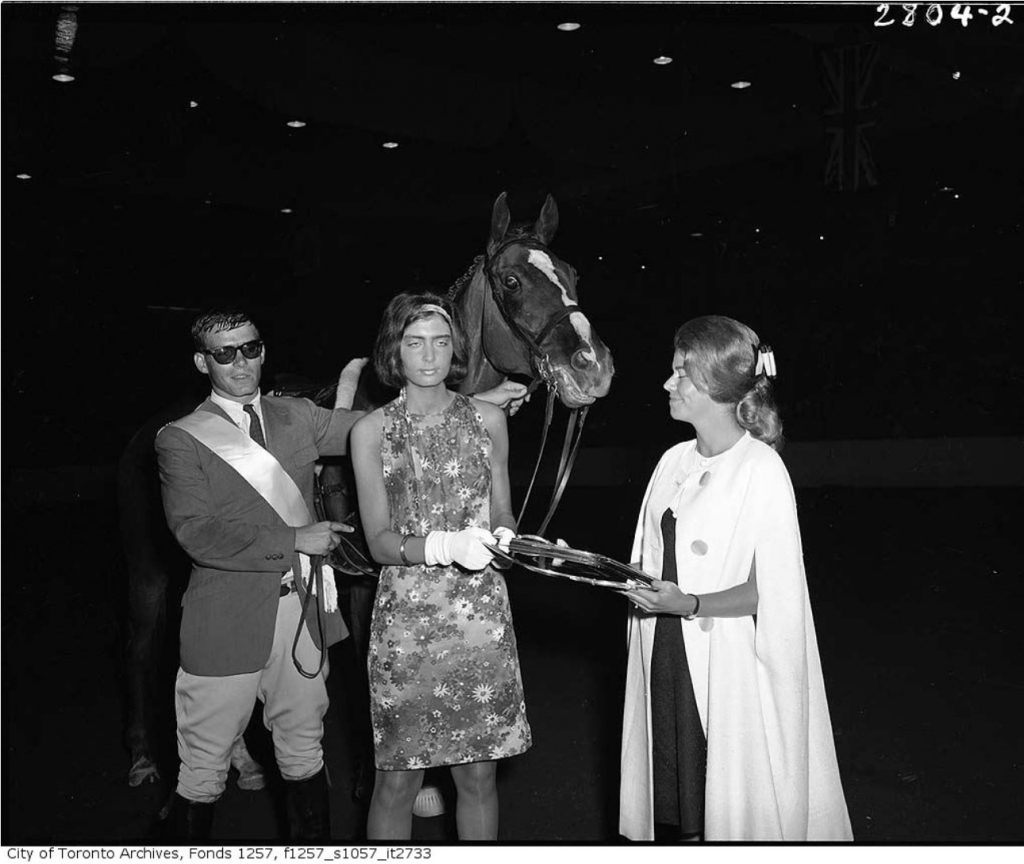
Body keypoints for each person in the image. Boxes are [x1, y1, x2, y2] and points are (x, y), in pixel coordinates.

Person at [619, 315, 852, 841]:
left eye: (680, 373)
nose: (667, 383)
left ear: (714, 385)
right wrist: (595, 569)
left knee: (726, 811)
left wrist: (690, 604)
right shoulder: (672, 460)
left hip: (726, 667)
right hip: (667, 655)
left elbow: (766, 591)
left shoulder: (760, 470)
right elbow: (652, 560)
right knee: (680, 812)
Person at [350, 291, 532, 841]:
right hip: (408, 621)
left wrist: (507, 535)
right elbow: (379, 543)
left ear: (455, 349)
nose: (429, 356)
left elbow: (502, 505)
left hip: (481, 618)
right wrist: (442, 546)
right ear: (394, 351)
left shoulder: (489, 418)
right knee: (398, 785)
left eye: (440, 342)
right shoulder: (372, 431)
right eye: (414, 343)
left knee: (478, 777)